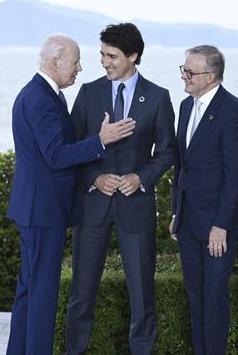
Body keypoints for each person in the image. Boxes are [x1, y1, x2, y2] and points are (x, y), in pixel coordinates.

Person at [6, 34, 135, 355]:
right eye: (75, 61)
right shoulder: (40, 99)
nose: (80, 68)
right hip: (42, 211)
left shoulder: (42, 94)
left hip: (36, 210)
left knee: (29, 290)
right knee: (41, 294)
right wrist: (100, 140)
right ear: (54, 62)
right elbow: (56, 155)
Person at [65, 23, 176, 355]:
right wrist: (95, 178)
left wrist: (140, 178)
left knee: (142, 294)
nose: (104, 61)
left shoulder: (158, 97)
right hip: (94, 206)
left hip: (135, 207)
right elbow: (72, 149)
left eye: (111, 55)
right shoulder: (88, 93)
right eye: (102, 54)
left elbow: (169, 152)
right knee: (81, 293)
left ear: (133, 56)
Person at [169, 45, 238, 355]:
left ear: (212, 76)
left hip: (218, 225)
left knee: (214, 295)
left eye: (191, 72)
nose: (184, 76)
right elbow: (182, 167)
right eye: (183, 69)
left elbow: (235, 175)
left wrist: (221, 225)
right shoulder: (186, 106)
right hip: (189, 221)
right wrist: (177, 213)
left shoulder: (233, 111)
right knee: (195, 295)